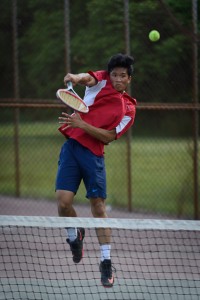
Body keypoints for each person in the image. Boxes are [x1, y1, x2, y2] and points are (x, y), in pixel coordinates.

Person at [55, 53, 137, 288]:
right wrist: (74, 77)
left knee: (98, 207)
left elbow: (110, 136)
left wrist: (83, 124)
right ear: (109, 75)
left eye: (123, 76)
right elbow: (86, 78)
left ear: (129, 79)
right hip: (72, 146)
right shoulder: (101, 80)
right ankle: (74, 236)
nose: (117, 79)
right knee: (63, 202)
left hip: (94, 155)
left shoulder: (129, 109)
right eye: (114, 75)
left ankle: (106, 261)